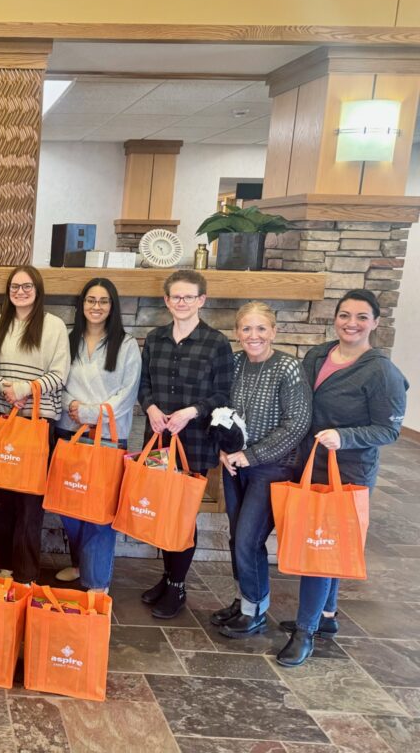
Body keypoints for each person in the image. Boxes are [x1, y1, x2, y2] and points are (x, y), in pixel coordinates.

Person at [277, 290, 407, 667]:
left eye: (362, 317)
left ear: (376, 323)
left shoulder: (381, 371)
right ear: (334, 318)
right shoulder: (317, 355)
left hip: (349, 472)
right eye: (345, 315)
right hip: (310, 463)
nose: (352, 323)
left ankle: (304, 631)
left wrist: (345, 436)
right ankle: (327, 617)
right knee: (326, 544)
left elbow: (389, 430)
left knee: (320, 550)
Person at [138, 270, 233, 618]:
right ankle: (167, 577)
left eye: (189, 297)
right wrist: (149, 407)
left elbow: (224, 395)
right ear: (166, 301)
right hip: (159, 440)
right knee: (164, 510)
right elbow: (144, 383)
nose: (181, 302)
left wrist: (191, 412)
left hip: (194, 440)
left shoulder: (216, 343)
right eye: (175, 297)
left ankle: (177, 587)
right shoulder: (155, 338)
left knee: (183, 514)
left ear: (201, 300)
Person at [212, 302, 311, 637]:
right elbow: (219, 412)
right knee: (236, 536)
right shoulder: (235, 363)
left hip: (273, 467)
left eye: (260, 329)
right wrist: (224, 451)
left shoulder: (288, 368)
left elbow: (296, 424)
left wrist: (251, 456)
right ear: (237, 332)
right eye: (246, 329)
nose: (253, 336)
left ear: (273, 331)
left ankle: (255, 611)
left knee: (248, 539)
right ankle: (243, 600)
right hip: (234, 465)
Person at [0, 265, 69, 584]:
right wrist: (6, 387)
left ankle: (27, 574)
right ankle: (5, 566)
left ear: (38, 289)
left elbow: (60, 374)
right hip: (3, 421)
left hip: (38, 423)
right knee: (4, 502)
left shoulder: (54, 326)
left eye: (27, 286)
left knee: (31, 504)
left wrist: (24, 389)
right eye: (15, 287)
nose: (20, 292)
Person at [53, 278, 140, 591]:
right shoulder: (66, 339)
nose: (96, 306)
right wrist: (71, 405)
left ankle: (96, 580)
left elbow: (128, 395)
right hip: (68, 433)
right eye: (91, 300)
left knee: (100, 514)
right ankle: (80, 564)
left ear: (112, 306)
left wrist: (90, 413)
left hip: (107, 439)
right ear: (82, 304)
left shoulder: (126, 345)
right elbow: (55, 381)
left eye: (103, 301)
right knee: (69, 507)